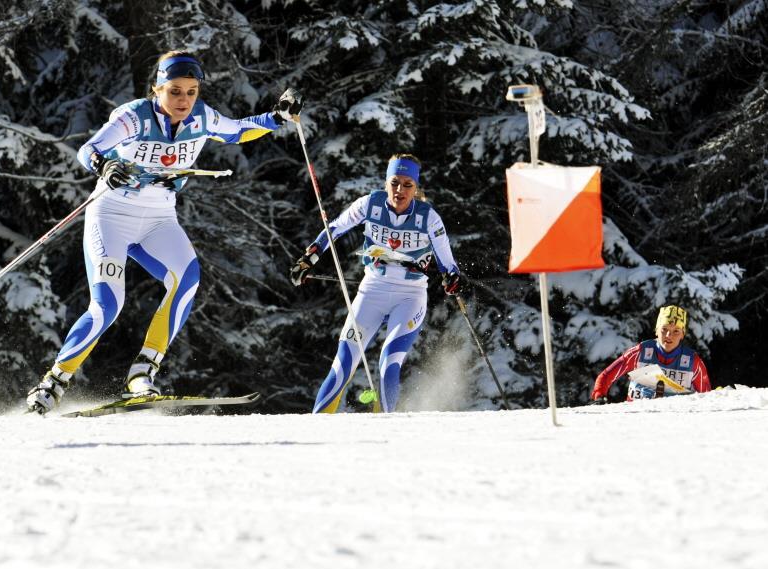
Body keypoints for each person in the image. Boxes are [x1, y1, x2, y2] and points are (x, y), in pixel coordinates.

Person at [26, 50, 303, 414]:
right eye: (174, 91)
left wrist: (276, 117)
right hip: (112, 214)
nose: (183, 100)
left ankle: (142, 373)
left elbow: (236, 130)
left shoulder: (202, 117)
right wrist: (105, 166)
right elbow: (89, 149)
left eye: (191, 91)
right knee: (108, 305)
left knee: (187, 279)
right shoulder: (134, 116)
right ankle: (54, 382)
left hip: (159, 218)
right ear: (157, 88)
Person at [290, 154, 464, 413]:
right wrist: (308, 258)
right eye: (394, 182)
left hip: (410, 296)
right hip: (371, 291)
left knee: (389, 361)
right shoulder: (370, 204)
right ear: (386, 183)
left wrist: (453, 279)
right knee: (343, 363)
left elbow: (448, 263)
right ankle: (316, 428)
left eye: (407, 184)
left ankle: (384, 429)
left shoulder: (428, 217)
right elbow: (335, 228)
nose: (399, 190)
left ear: (416, 188)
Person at [591, 305, 711, 403]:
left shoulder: (692, 361)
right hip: (636, 417)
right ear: (657, 330)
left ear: (682, 334)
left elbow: (707, 397)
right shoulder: (640, 352)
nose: (669, 336)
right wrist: (599, 395)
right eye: (664, 329)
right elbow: (606, 375)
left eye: (676, 331)